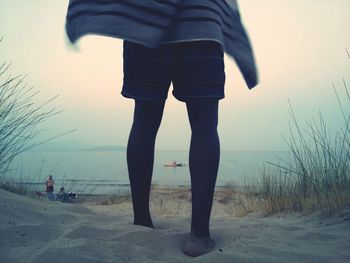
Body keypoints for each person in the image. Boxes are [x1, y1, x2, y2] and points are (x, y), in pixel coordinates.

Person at [66, 0, 258, 257]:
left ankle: (142, 221)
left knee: (145, 120)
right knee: (204, 123)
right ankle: (199, 235)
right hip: (201, 20)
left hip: (146, 18)